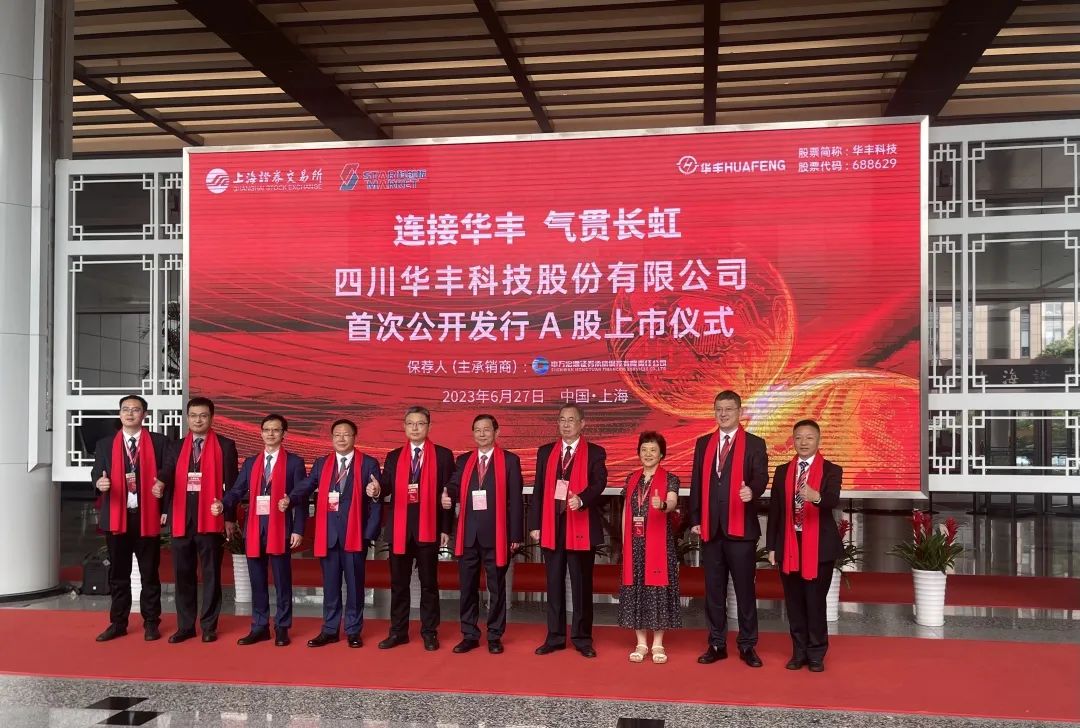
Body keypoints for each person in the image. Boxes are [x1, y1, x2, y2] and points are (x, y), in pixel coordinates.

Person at [282, 418, 381, 648]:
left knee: (355, 586)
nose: (341, 438)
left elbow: (375, 502)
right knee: (330, 586)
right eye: (337, 434)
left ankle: (353, 630)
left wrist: (369, 531)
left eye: (346, 434)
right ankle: (329, 629)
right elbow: (307, 486)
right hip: (328, 535)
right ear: (332, 438)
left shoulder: (368, 463)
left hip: (355, 535)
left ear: (354, 437)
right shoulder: (322, 463)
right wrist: (290, 498)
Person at [688, 390, 768, 667]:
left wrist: (752, 491)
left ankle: (747, 645)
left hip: (741, 529)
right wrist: (695, 518)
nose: (723, 414)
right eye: (719, 409)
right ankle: (716, 643)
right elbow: (696, 483)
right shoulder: (703, 444)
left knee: (745, 591)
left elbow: (761, 477)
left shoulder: (755, 444)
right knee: (714, 591)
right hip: (711, 529)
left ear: (739, 412)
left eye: (728, 409)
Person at [212, 414, 306, 647]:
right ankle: (259, 626)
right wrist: (223, 504)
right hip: (254, 528)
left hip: (280, 528)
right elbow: (237, 490)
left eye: (276, 430)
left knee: (282, 581)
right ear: (261, 433)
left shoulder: (294, 462)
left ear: (284, 434)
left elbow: (301, 498)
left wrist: (298, 529)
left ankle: (282, 627)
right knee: (257, 581)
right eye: (266, 430)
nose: (270, 434)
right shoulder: (251, 462)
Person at [529, 404, 607, 658]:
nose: (566, 424)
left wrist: (582, 499)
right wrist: (535, 525)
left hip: (580, 525)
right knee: (554, 584)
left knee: (581, 585)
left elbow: (600, 483)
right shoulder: (545, 452)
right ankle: (555, 637)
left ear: (582, 424)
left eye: (571, 420)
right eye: (562, 419)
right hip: (552, 526)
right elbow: (538, 490)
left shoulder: (595, 452)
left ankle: (582, 638)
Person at [766, 419, 843, 673]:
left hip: (820, 547)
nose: (803, 442)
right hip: (789, 544)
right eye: (798, 437)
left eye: (809, 437)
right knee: (794, 602)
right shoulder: (782, 471)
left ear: (818, 440)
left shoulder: (832, 470)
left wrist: (816, 497)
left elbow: (832, 500)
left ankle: (816, 653)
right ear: (793, 440)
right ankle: (798, 652)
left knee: (815, 601)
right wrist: (772, 546)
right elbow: (775, 511)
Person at [91, 394, 169, 642]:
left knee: (150, 574)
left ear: (144, 415)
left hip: (147, 517)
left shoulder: (159, 442)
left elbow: (168, 472)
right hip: (117, 517)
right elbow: (96, 472)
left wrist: (163, 486)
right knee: (118, 575)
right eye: (125, 409)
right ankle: (118, 623)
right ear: (120, 414)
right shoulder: (105, 444)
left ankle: (151, 622)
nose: (130, 413)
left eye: (135, 410)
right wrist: (99, 482)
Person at [162, 396, 239, 644]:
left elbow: (232, 486)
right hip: (181, 519)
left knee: (211, 574)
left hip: (211, 519)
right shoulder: (176, 446)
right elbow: (168, 478)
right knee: (182, 575)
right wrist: (162, 503)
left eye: (203, 416)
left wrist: (229, 518)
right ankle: (185, 626)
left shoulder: (225, 445)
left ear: (211, 418)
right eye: (194, 416)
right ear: (187, 418)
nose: (198, 420)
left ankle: (208, 625)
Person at [377, 406, 455, 651]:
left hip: (429, 528)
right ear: (404, 427)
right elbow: (386, 486)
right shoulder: (394, 456)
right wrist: (377, 489)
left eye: (420, 423)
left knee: (429, 584)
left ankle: (429, 632)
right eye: (410, 423)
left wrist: (446, 528)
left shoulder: (443, 455)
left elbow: (448, 495)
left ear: (429, 426)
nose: (415, 428)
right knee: (398, 585)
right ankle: (398, 632)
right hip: (400, 530)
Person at [445, 414, 524, 654]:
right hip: (468, 535)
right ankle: (469, 634)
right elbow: (454, 484)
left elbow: (516, 500)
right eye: (477, 430)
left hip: (497, 535)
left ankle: (494, 635)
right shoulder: (464, 460)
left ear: (496, 432)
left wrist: (515, 536)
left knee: (496, 588)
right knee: (467, 587)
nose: (481, 434)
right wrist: (447, 493)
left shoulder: (510, 460)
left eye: (486, 429)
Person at [618, 431, 682, 664]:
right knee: (636, 588)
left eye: (653, 450)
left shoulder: (671, 478)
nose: (648, 454)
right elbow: (626, 510)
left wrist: (662, 504)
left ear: (661, 454)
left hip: (659, 544)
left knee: (657, 589)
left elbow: (672, 502)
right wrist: (624, 542)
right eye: (644, 450)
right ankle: (641, 642)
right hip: (634, 544)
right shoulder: (631, 478)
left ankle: (658, 644)